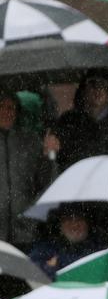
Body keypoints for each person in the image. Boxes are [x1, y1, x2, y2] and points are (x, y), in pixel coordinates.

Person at [44, 72, 108, 167]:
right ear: (84, 90)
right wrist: (51, 151)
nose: (98, 91)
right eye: (93, 85)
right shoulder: (68, 120)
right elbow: (57, 157)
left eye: (103, 86)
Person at [0, 90, 49, 248]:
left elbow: (46, 182)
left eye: (12, 108)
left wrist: (31, 215)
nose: (7, 112)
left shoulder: (31, 142)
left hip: (25, 234)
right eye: (2, 107)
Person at [28, 204, 104, 278]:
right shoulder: (46, 247)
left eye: (79, 219)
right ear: (60, 225)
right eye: (69, 220)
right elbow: (31, 271)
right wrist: (49, 268)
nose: (75, 225)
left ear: (87, 223)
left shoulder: (98, 246)